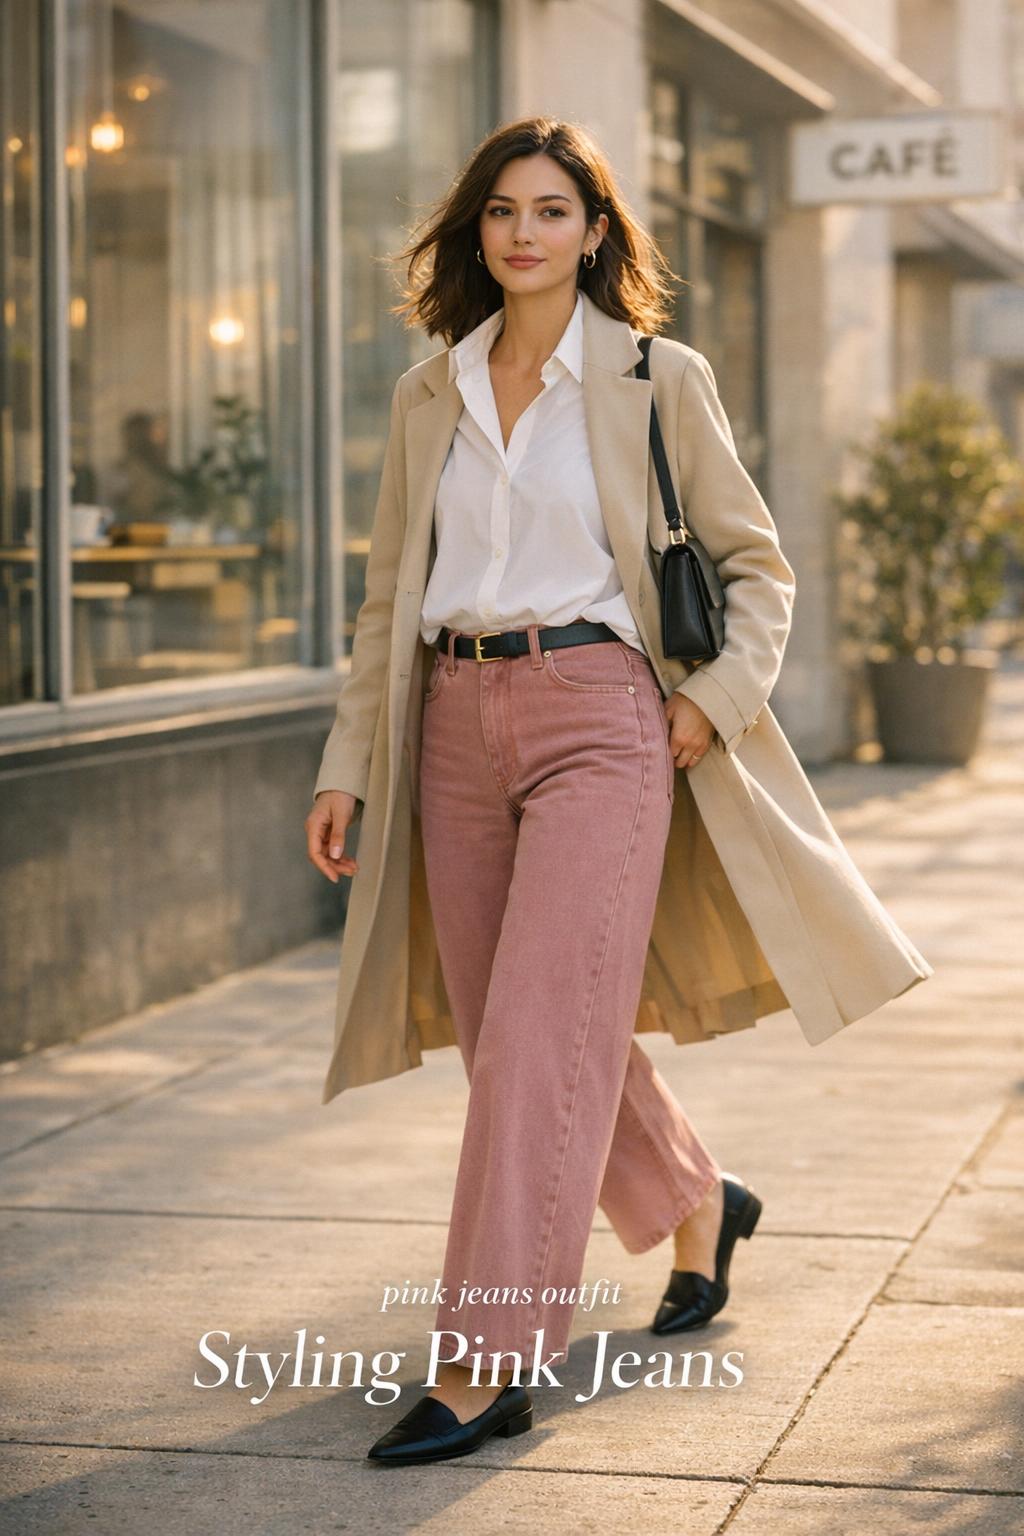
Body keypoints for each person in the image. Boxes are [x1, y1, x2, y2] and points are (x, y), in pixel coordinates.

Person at [304, 116, 931, 1468]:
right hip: (451, 721)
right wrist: (352, 763)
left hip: (606, 716)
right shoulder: (432, 395)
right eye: (500, 212)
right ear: (478, 234)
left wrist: (708, 702)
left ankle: (487, 1359)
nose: (523, 233)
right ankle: (699, 1197)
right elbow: (381, 604)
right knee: (510, 1027)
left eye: (550, 210)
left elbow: (760, 568)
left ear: (594, 231)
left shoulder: (656, 377)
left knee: (537, 1034)